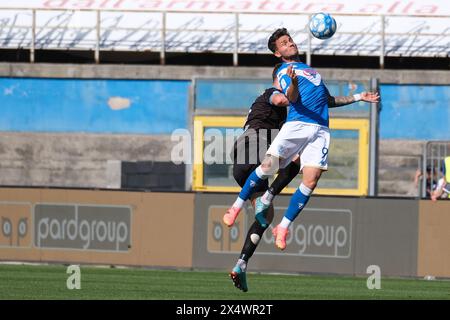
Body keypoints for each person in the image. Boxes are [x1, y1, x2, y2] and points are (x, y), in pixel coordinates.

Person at [224, 28, 380, 253]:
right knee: (269, 165)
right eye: (284, 43)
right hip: (298, 124)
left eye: (290, 40)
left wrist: (358, 97)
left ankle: (283, 227)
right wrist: (294, 85)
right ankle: (236, 207)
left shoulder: (311, 71)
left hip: (320, 128)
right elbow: (292, 98)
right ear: (278, 53)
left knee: (311, 179)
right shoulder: (284, 70)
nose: (290, 44)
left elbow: (328, 100)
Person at [228, 63, 301, 292]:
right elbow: (280, 100)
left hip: (244, 165)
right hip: (254, 145)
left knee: (266, 216)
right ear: (279, 78)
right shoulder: (271, 93)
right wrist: (302, 99)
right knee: (295, 161)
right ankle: (251, 201)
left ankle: (241, 264)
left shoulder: (275, 116)